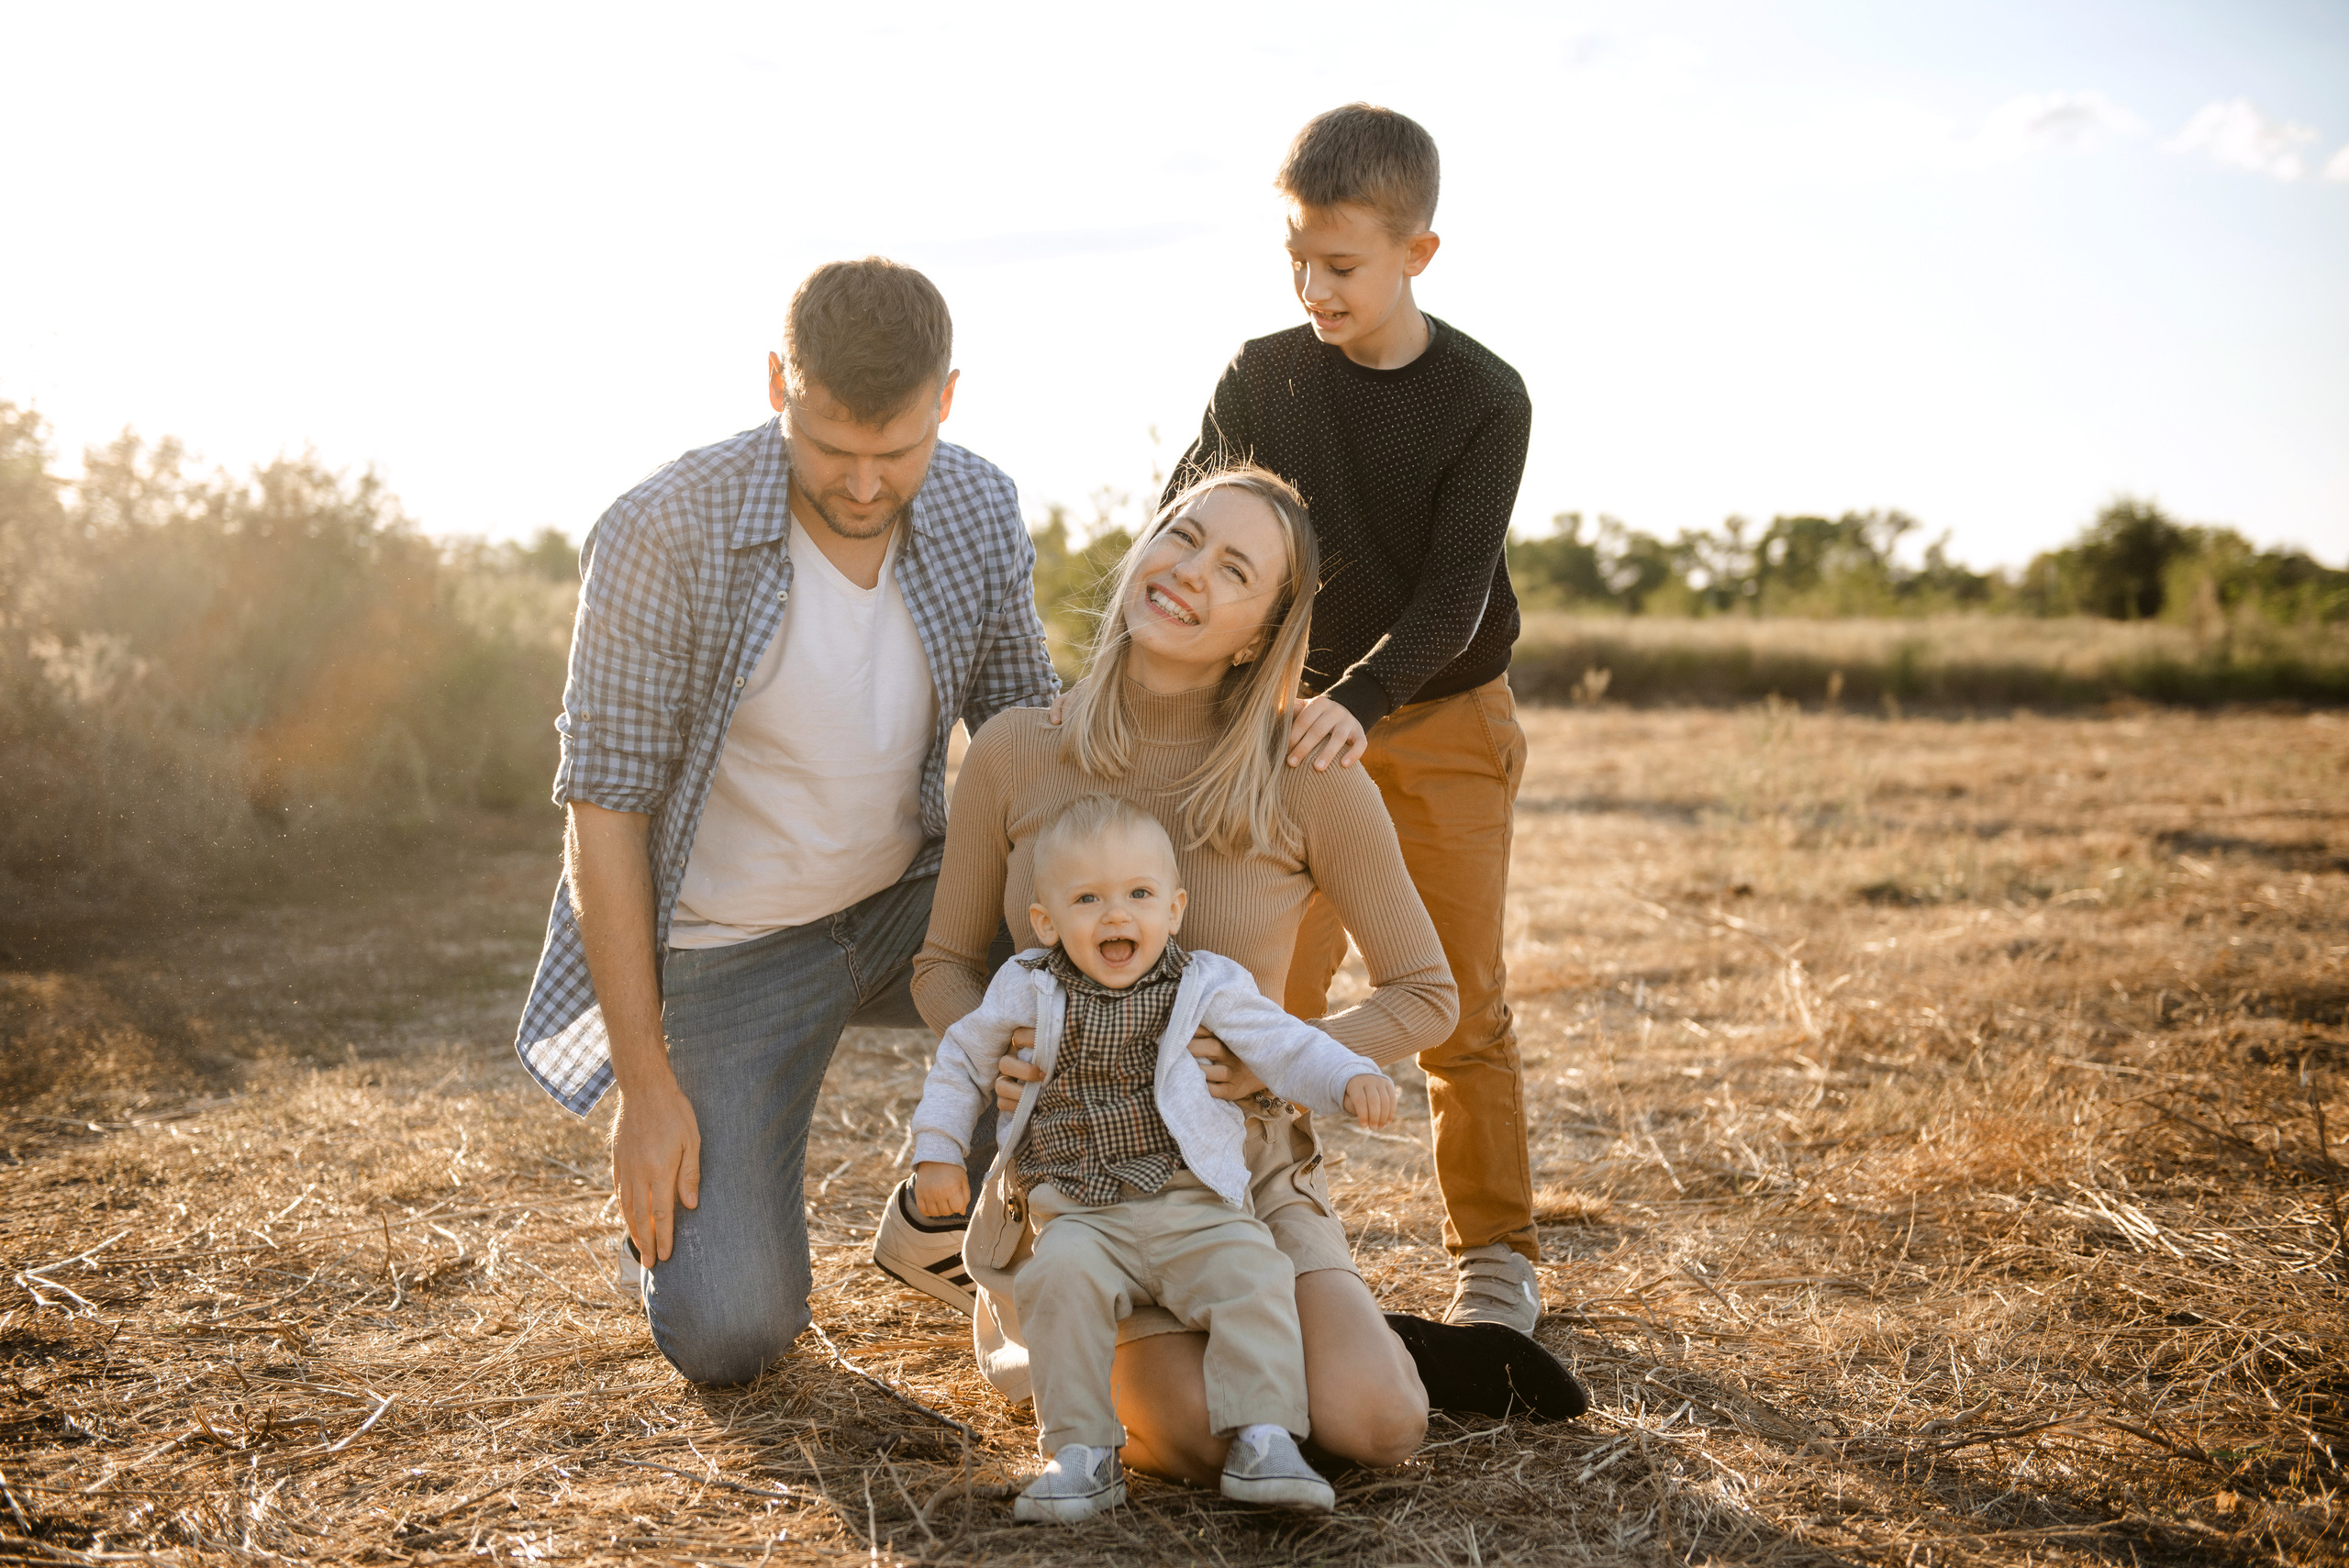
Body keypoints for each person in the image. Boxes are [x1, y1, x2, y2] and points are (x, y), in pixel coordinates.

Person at [883, 464, 1585, 1489]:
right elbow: (943, 965)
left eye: (1233, 567)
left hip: (1239, 1171)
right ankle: (1046, 1311)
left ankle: (1370, 1343)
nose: (1189, 573)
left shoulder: (1306, 769)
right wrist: (1003, 1047)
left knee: (1380, 1425)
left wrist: (1269, 1071)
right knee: (1208, 1446)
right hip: (1076, 1173)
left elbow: (1426, 993)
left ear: (1263, 631)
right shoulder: (1015, 749)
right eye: (1183, 536)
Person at [510, 257, 1059, 1385]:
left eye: (895, 452)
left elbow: (1024, 738)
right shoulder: (662, 529)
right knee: (731, 1335)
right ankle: (687, 1242)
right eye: (830, 448)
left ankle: (938, 1214)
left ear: (946, 400)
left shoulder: (977, 502)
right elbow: (603, 812)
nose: (863, 484)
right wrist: (646, 1084)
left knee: (1114, 944)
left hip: (911, 904)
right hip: (726, 949)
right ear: (776, 382)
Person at [1163, 104, 1545, 1333]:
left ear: (1417, 254)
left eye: (1342, 266)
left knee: (1457, 997)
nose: (1313, 288)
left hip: (1436, 714)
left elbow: (1456, 591)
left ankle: (1497, 1258)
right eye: (1297, 261)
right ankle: (1259, 1223)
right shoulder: (1263, 375)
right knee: (1264, 992)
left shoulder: (1486, 398)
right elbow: (1189, 532)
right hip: (1287, 729)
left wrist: (1360, 703)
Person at [908, 794, 1399, 1522]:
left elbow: (1284, 1042)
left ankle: (1266, 1437)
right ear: (1046, 922)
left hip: (1190, 1200)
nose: (1116, 915)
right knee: (1059, 1282)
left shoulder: (1207, 983)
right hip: (1079, 1211)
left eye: (1138, 895)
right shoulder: (1026, 985)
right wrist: (939, 1151)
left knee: (1255, 1270)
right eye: (1088, 898)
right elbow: (960, 1060)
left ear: (1174, 909)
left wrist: (1347, 1075)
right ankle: (1080, 1454)